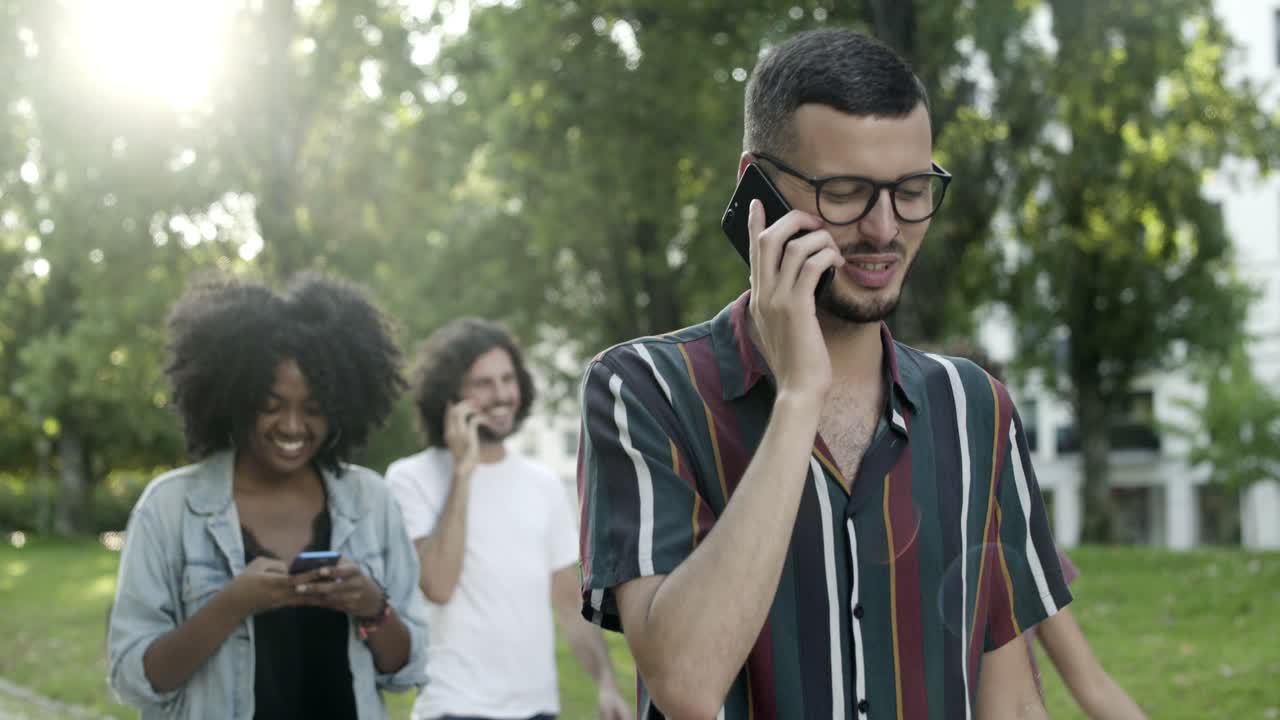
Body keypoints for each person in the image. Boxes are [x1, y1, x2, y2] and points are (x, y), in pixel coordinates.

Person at [575, 28, 1071, 719]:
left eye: (911, 190)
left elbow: (1011, 700)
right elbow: (685, 683)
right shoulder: (645, 389)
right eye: (845, 192)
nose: (883, 228)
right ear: (758, 187)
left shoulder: (976, 409)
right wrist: (799, 397)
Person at [107, 272, 428, 719]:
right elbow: (136, 680)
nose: (293, 427)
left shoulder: (371, 501)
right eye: (271, 406)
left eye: (314, 409)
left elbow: (403, 670)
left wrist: (373, 607)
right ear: (235, 397)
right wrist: (231, 605)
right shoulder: (170, 508)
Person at [387, 318, 630, 720]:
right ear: (449, 396)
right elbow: (438, 585)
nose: (501, 395)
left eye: (507, 379)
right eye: (482, 383)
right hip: (453, 707)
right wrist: (463, 473)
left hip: (537, 710)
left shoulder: (544, 484)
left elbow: (570, 605)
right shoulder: (410, 478)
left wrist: (606, 682)